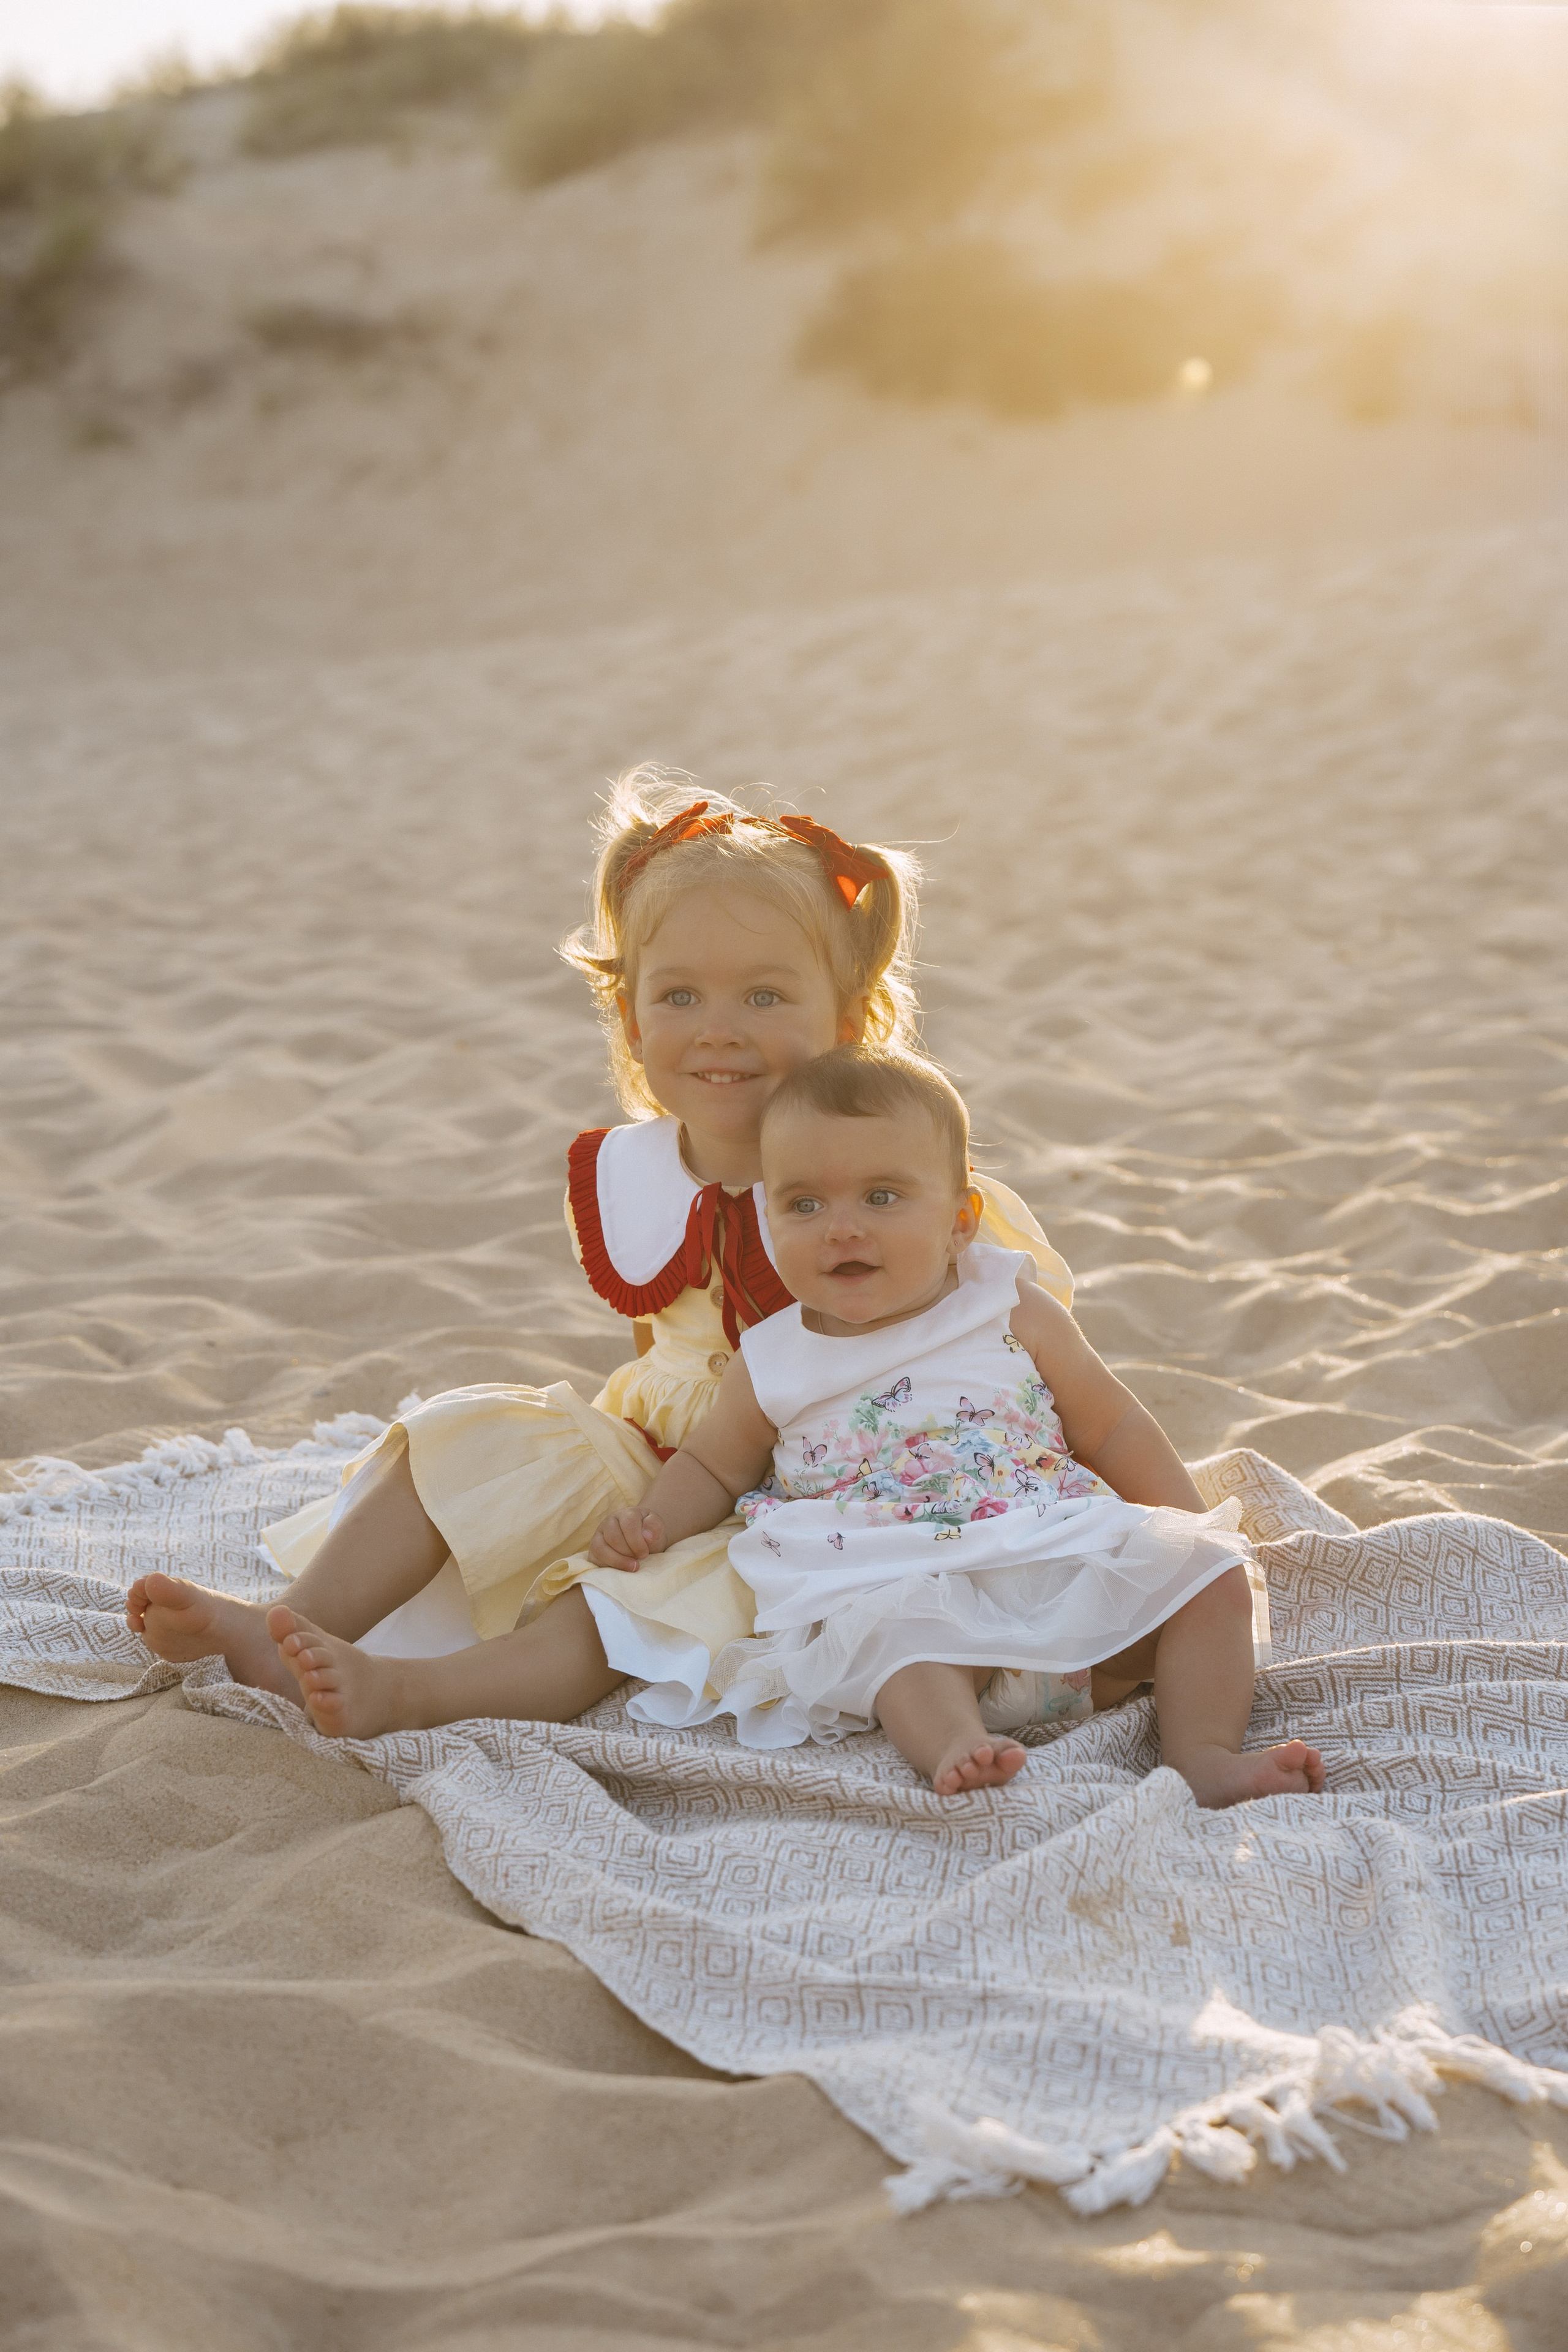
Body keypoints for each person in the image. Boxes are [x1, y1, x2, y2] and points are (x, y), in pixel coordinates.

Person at [127, 777, 1072, 1723]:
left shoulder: (893, 1182)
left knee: (625, 1604)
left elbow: (1008, 1353)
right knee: (462, 1437)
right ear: (631, 1019)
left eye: (765, 995)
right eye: (680, 996)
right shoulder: (638, 1171)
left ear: (849, 1020)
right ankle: (291, 1627)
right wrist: (622, 1490)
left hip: (821, 1489)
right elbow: (655, 1345)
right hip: (658, 1459)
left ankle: (412, 1692)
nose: (719, 1028)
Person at [258, 1047, 1322, 1811]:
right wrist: (654, 1523)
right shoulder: (774, 1355)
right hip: (889, 1571)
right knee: (901, 1646)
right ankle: (953, 1748)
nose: (841, 1226)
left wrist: (1180, 1526)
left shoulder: (1007, 1302)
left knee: (1209, 1581)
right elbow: (714, 1464)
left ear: (960, 1217)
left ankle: (1203, 1754)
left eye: (882, 1197)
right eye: (804, 1204)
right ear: (769, 1219)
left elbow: (1113, 1422)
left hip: (1047, 1549)